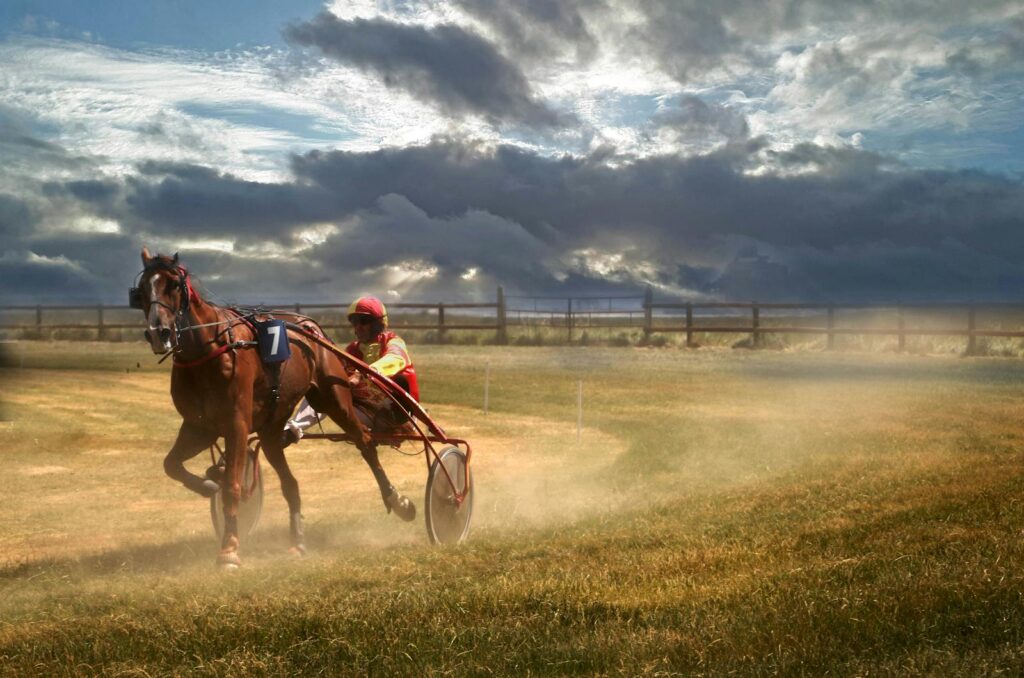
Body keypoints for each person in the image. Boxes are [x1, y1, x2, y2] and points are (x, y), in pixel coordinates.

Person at [283, 296, 418, 445]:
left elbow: (396, 359)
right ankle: (292, 429)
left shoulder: (393, 341)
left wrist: (361, 374)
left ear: (379, 323)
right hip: (365, 411)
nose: (358, 327)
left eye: (364, 321)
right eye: (354, 322)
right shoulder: (353, 349)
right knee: (324, 390)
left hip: (397, 411)